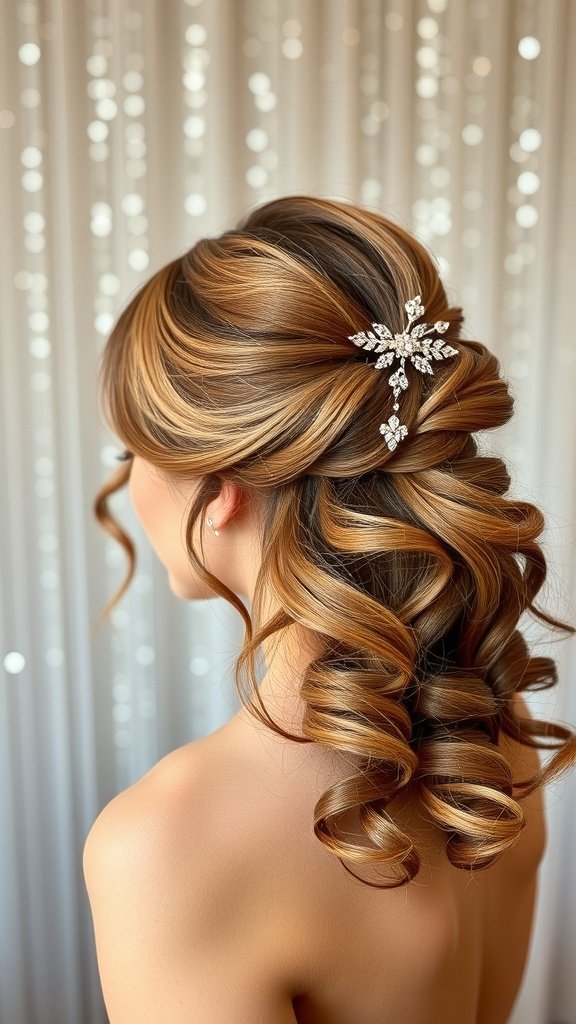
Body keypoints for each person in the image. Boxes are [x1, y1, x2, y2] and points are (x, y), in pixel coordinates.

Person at [84, 194, 576, 1023]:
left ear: (220, 489)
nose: (125, 484)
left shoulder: (166, 847)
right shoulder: (491, 728)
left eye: (133, 450)